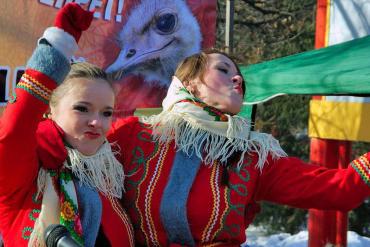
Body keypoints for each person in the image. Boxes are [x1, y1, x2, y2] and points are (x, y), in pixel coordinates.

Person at [105, 50, 370, 246]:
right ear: (189, 83)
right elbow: (67, 154)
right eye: (223, 69)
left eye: (239, 76)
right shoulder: (134, 135)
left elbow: (339, 190)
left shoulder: (253, 156)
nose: (237, 79)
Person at [0, 3, 133, 247]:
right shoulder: (26, 168)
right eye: (82, 108)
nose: (97, 122)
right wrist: (58, 47)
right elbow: (12, 130)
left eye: (107, 113)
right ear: (50, 108)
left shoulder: (111, 169)